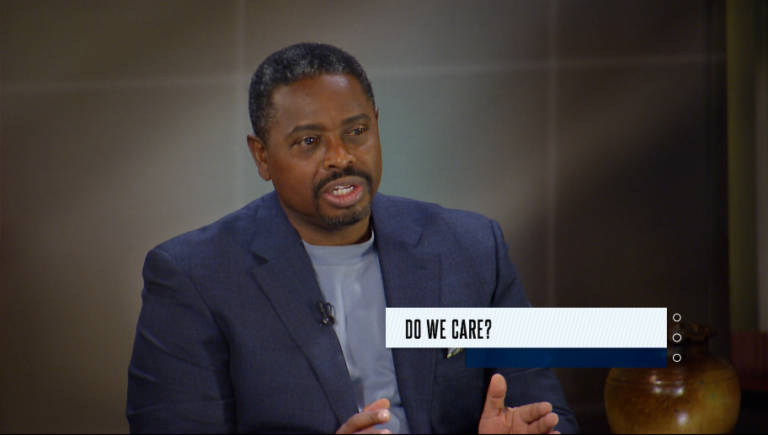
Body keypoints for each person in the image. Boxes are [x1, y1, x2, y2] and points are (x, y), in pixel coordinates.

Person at [127, 43, 578, 434]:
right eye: (309, 142)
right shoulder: (194, 278)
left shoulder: (472, 248)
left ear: (377, 125)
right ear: (262, 156)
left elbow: (545, 410)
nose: (340, 158)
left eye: (356, 132)